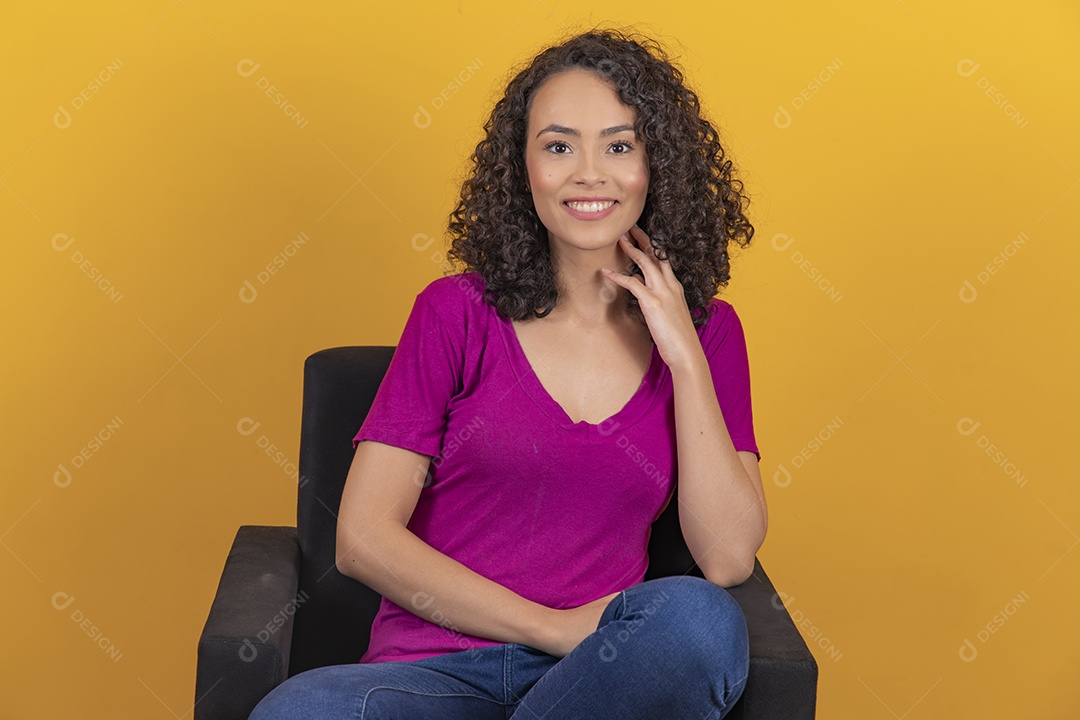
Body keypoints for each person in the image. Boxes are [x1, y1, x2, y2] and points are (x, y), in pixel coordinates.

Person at [250, 27, 766, 720]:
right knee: (299, 712)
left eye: (619, 146)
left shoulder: (708, 335)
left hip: (599, 681)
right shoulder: (454, 313)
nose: (589, 173)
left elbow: (728, 558)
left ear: (657, 166)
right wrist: (551, 628)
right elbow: (364, 539)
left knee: (702, 621)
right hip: (431, 677)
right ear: (523, 170)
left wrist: (684, 356)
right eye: (558, 146)